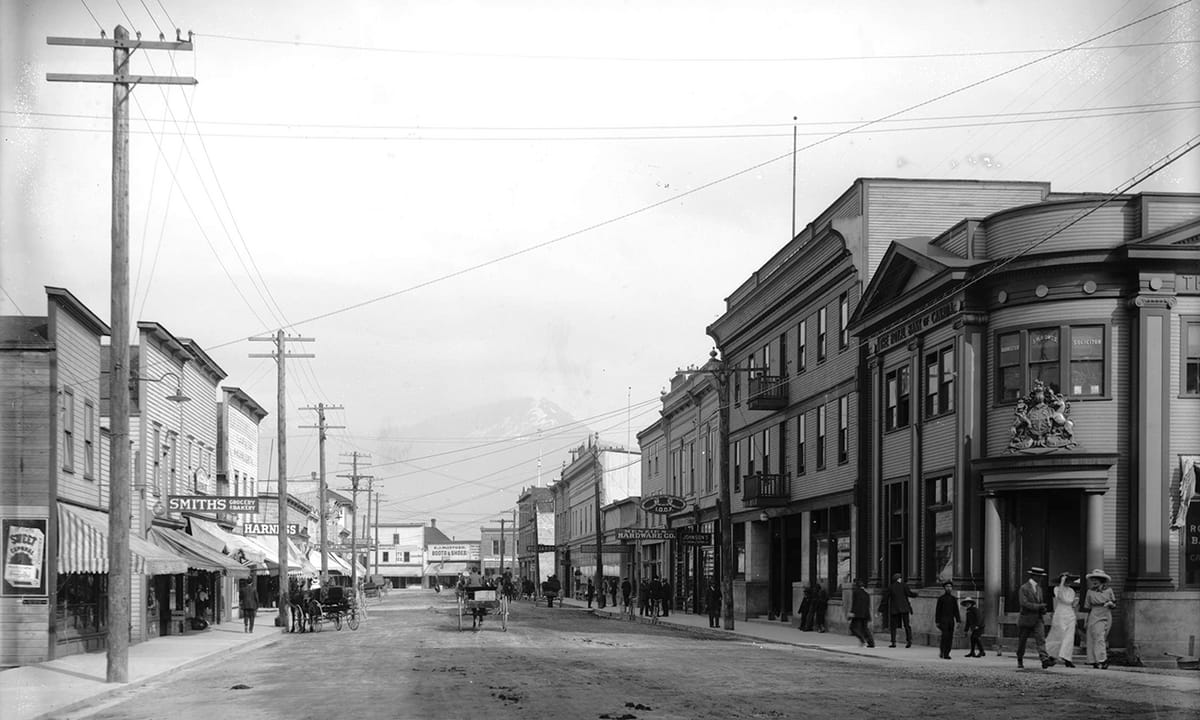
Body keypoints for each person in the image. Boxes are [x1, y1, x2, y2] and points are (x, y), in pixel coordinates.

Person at [1016, 566, 1055, 669]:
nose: (1041, 578)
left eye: (1041, 577)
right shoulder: (1024, 588)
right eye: (1039, 576)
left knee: (1041, 639)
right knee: (1022, 641)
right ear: (1034, 576)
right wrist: (1039, 606)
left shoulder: (1039, 589)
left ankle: (1044, 659)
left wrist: (1043, 609)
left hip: (1037, 618)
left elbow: (1039, 602)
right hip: (1026, 618)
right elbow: (1024, 603)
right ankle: (1020, 658)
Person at [1083, 568, 1116, 669]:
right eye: (1093, 579)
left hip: (1105, 614)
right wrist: (1086, 620)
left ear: (1102, 580)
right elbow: (1087, 608)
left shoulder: (1109, 591)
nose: (1094, 581)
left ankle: (1102, 659)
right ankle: (1094, 660)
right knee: (1091, 637)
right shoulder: (1089, 592)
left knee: (1100, 636)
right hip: (1093, 614)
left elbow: (1114, 604)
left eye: (1096, 579)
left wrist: (1110, 604)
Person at [1045, 572, 1079, 667]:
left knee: (1069, 636)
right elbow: (1061, 597)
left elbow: (1070, 601)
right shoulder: (1057, 589)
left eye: (1069, 581)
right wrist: (1061, 583)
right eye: (1066, 580)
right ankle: (1052, 656)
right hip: (1060, 612)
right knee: (1058, 635)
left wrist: (1074, 603)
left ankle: (1067, 658)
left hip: (1069, 613)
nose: (1068, 582)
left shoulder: (1072, 591)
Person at [884, 573, 917, 648]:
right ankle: (909, 640)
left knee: (893, 626)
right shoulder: (904, 585)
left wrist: (881, 609)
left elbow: (885, 598)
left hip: (894, 609)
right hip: (904, 608)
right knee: (906, 625)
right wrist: (916, 594)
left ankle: (893, 642)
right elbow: (909, 594)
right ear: (899, 579)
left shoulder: (891, 587)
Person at [934, 580, 961, 659]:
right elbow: (938, 610)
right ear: (944, 588)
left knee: (950, 637)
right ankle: (943, 651)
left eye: (950, 587)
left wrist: (958, 620)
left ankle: (947, 653)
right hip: (943, 620)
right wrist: (937, 621)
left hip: (951, 621)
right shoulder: (941, 599)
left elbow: (956, 610)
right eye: (947, 587)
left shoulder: (953, 599)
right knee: (945, 636)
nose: (949, 588)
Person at [848, 578, 875, 648]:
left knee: (853, 628)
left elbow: (855, 603)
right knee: (865, 628)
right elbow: (868, 605)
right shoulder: (867, 594)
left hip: (857, 613)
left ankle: (862, 639)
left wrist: (852, 612)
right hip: (865, 614)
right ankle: (871, 642)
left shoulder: (856, 592)